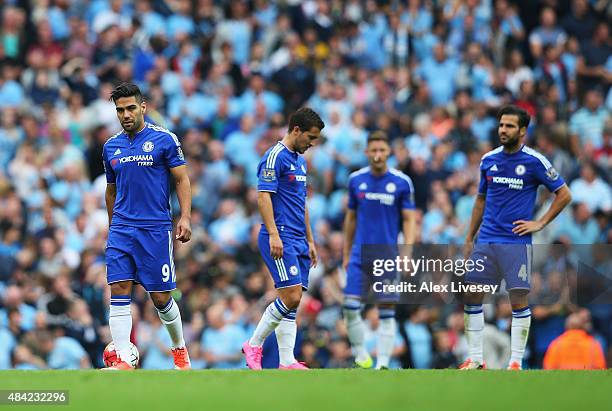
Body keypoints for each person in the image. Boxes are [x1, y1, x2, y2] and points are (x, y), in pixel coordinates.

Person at [460, 105, 572, 370]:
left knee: (518, 300)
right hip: (486, 239)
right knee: (472, 296)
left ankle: (515, 362)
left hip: (516, 242)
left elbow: (564, 194)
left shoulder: (535, 161)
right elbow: (480, 200)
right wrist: (469, 237)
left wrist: (540, 222)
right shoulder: (488, 160)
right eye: (501, 125)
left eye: (509, 126)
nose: (503, 130)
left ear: (522, 131)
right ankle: (476, 359)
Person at [102, 83, 192, 370]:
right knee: (118, 287)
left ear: (143, 107)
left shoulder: (165, 140)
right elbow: (111, 190)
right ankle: (122, 358)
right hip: (121, 229)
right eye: (120, 110)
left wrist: (186, 216)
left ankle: (179, 349)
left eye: (130, 108)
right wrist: (112, 226)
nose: (125, 114)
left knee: (161, 297)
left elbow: (181, 179)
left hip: (155, 228)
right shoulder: (110, 146)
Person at [242, 107, 324, 370]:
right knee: (290, 297)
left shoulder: (300, 161)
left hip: (299, 238)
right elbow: (263, 196)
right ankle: (254, 344)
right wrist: (275, 235)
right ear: (296, 130)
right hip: (280, 236)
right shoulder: (274, 156)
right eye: (310, 137)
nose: (312, 144)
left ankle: (286, 360)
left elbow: (302, 203)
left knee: (293, 299)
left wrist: (311, 240)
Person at [341, 131, 416, 369]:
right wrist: (345, 253)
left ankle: (382, 363)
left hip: (388, 257)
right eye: (373, 150)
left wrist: (406, 253)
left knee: (386, 311)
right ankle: (361, 354)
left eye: (382, 150)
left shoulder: (401, 182)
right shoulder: (355, 180)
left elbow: (409, 220)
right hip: (359, 254)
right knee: (351, 306)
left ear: (389, 152)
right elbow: (350, 218)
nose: (377, 155)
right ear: (366, 152)